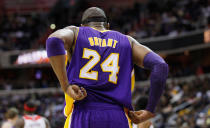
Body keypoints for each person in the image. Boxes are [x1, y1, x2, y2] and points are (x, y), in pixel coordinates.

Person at [46, 7, 168, 128]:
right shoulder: (127, 41)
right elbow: (160, 66)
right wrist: (150, 109)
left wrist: (65, 86)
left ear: (82, 26)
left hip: (83, 113)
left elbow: (53, 41)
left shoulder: (76, 32)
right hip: (118, 117)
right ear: (107, 26)